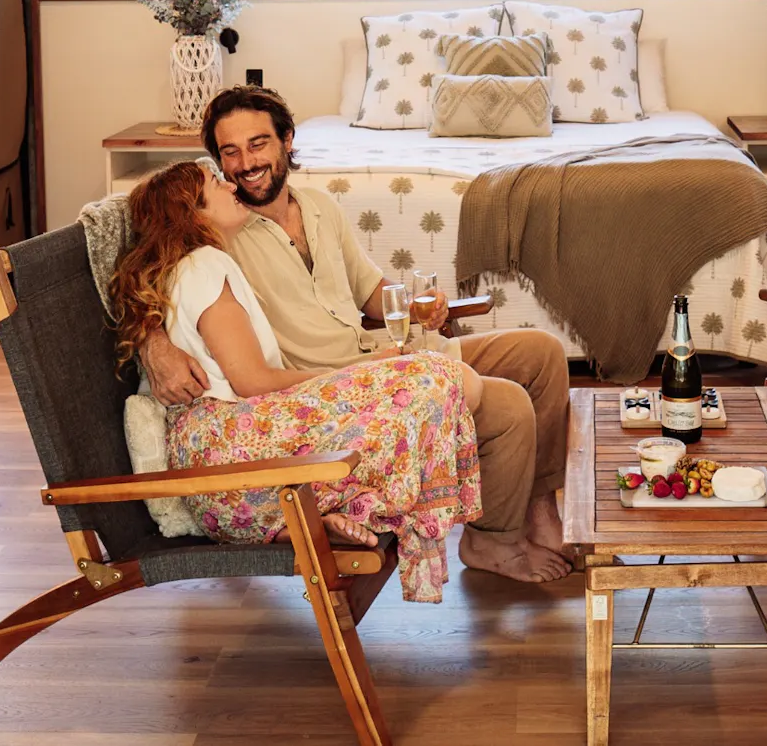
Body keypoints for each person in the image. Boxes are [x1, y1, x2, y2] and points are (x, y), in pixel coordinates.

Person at [141, 85, 572, 584]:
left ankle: (540, 515)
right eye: (229, 153)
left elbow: (371, 292)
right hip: (331, 389)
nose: (245, 163)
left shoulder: (320, 206)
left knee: (542, 352)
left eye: (258, 144)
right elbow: (151, 261)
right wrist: (154, 342)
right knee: (507, 405)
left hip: (378, 354)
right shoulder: (223, 237)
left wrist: (415, 307)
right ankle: (492, 541)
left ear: (286, 140)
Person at [110, 160, 483, 604]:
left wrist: (367, 373)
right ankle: (338, 504)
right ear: (192, 213)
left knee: (430, 376)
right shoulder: (206, 265)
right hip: (235, 456)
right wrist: (355, 374)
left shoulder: (188, 270)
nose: (231, 184)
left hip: (226, 495)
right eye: (216, 182)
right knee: (438, 376)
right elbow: (251, 380)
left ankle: (315, 513)